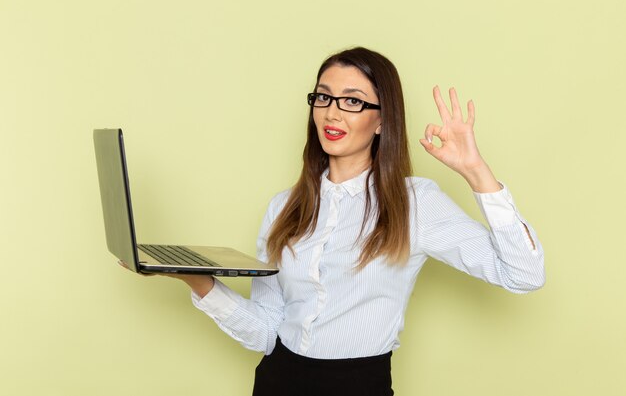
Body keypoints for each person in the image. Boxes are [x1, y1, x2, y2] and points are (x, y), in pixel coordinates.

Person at [124, 47, 545, 396]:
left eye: (353, 101)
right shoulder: (284, 207)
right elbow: (267, 333)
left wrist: (475, 171)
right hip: (277, 382)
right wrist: (197, 281)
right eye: (323, 97)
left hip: (359, 385)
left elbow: (525, 273)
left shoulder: (414, 203)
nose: (332, 113)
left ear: (382, 121)